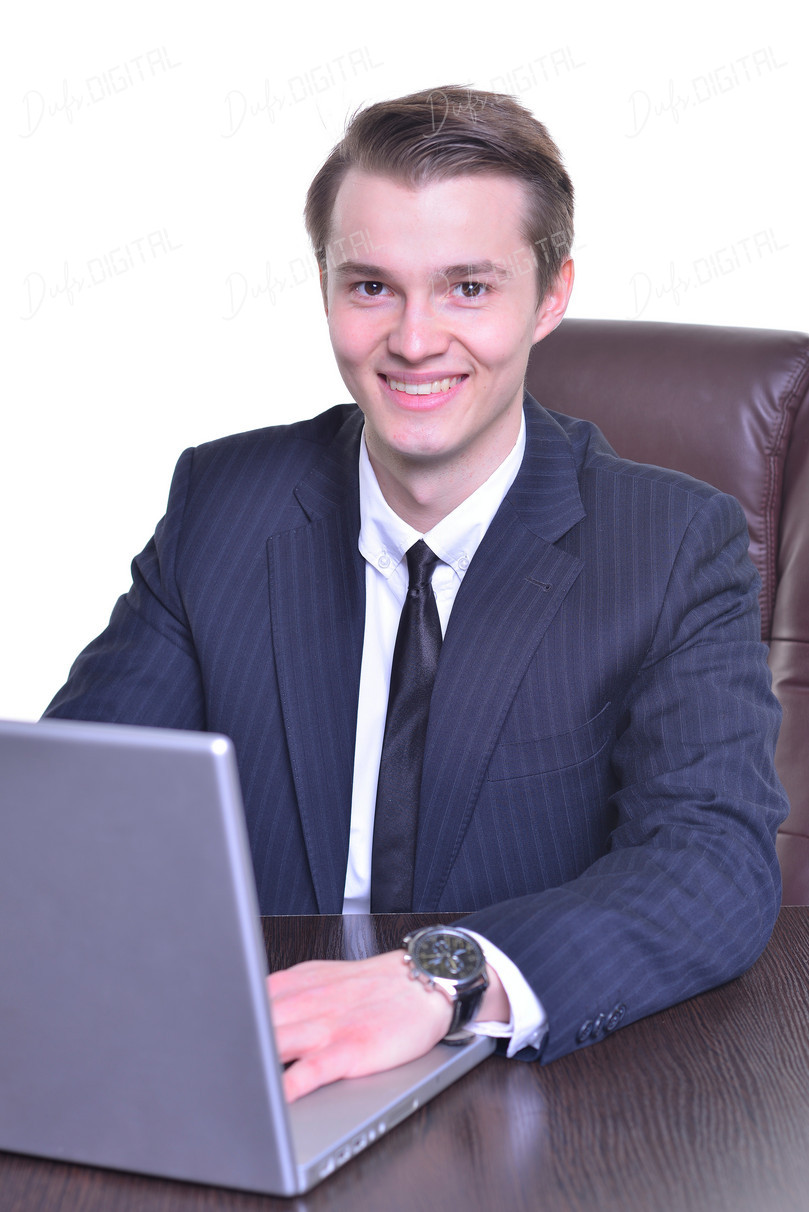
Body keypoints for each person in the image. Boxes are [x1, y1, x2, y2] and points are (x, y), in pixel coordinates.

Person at [45, 86, 788, 1102]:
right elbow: (78, 812)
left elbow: (713, 867)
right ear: (325, 289)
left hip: (526, 1081)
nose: (413, 339)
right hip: (267, 1056)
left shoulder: (668, 545)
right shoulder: (223, 504)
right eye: (370, 287)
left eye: (467, 288)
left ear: (550, 295)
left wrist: (437, 978)